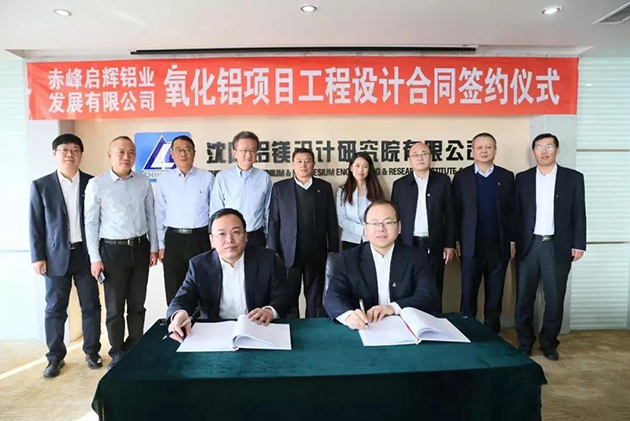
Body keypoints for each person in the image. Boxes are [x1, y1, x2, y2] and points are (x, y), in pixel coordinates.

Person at [29, 134, 102, 378]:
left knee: (91, 305)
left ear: (81, 154)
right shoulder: (41, 185)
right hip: (54, 256)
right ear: (55, 154)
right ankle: (54, 357)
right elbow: (35, 223)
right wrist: (37, 256)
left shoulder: (92, 183)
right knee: (55, 308)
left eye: (75, 150)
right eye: (64, 149)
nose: (70, 154)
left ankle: (92, 352)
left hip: (85, 254)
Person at [84, 136, 158, 369]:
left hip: (140, 247)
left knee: (137, 304)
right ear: (110, 155)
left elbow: (151, 215)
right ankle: (116, 351)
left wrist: (153, 247)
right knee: (115, 307)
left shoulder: (143, 181)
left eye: (131, 152)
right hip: (112, 251)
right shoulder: (97, 184)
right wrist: (95, 258)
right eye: (121, 152)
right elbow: (91, 223)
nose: (127, 157)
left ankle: (134, 345)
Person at [514, 133, 586, 361]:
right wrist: (513, 242)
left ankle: (549, 342)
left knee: (554, 299)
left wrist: (579, 243)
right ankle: (525, 341)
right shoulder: (522, 178)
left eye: (548, 146)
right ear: (533, 151)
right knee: (524, 297)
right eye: (539, 147)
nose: (543, 151)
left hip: (557, 246)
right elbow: (515, 214)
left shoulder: (573, 178)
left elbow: (579, 212)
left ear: (557, 150)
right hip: (528, 246)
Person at [166, 209, 288, 342]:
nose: (229, 240)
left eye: (235, 232)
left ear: (245, 236)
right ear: (212, 240)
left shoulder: (267, 259)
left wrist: (269, 311)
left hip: (258, 330)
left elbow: (282, 297)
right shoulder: (199, 265)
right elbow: (183, 298)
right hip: (216, 334)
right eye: (221, 234)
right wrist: (179, 314)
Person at [324, 200, 439, 329]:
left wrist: (392, 308)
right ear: (365, 228)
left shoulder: (417, 257)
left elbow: (428, 295)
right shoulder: (346, 259)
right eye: (374, 223)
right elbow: (333, 297)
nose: (381, 228)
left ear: (399, 227)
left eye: (388, 222)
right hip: (364, 329)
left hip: (404, 328)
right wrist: (348, 316)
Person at [452, 132, 515, 333]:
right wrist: (455, 240)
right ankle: (467, 333)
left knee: (495, 295)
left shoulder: (506, 177)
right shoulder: (462, 177)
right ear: (472, 151)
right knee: (468, 294)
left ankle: (492, 335)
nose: (484, 151)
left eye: (489, 147)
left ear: (495, 150)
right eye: (479, 147)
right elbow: (455, 212)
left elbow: (513, 212)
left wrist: (512, 241)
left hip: (499, 244)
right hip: (470, 245)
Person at [267, 148, 340, 318]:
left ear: (313, 164)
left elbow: (331, 221)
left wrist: (333, 249)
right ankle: (292, 328)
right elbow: (274, 222)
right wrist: (273, 251)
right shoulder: (280, 188)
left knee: (315, 298)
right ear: (293, 164)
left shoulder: (324, 188)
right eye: (299, 161)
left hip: (316, 253)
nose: (303, 165)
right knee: (289, 297)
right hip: (288, 254)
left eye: (307, 161)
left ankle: (314, 328)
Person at [391, 141, 455, 312]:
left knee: (434, 286)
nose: (420, 158)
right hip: (407, 244)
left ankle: (434, 321)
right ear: (409, 160)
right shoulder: (400, 184)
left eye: (424, 154)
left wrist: (450, 244)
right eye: (415, 155)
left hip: (434, 244)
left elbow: (450, 215)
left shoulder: (442, 181)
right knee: (407, 286)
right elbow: (394, 218)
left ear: (431, 157)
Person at [155, 135, 215, 305]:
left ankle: (203, 321)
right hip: (173, 240)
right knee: (174, 289)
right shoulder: (164, 180)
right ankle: (175, 320)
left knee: (204, 287)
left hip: (200, 238)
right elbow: (159, 213)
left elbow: (214, 211)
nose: (183, 154)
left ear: (194, 153)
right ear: (172, 154)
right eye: (179, 150)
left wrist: (214, 240)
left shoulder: (207, 178)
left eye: (187, 149)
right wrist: (161, 244)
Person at [210, 131, 272, 248]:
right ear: (234, 153)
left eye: (252, 150)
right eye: (243, 150)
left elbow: (268, 210)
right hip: (230, 237)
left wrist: (269, 238)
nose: (248, 155)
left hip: (256, 236)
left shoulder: (264, 177)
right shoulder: (223, 177)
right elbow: (216, 209)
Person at [336, 152, 384, 250]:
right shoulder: (343, 191)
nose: (360, 170)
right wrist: (363, 230)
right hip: (350, 240)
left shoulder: (375, 189)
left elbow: (381, 215)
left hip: (373, 239)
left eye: (365, 166)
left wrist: (371, 230)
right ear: (351, 168)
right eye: (357, 166)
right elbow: (341, 219)